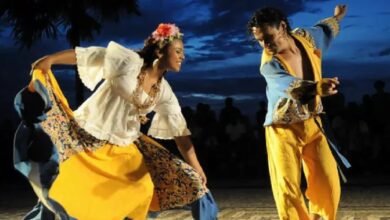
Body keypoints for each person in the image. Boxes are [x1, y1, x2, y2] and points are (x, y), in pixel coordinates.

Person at [14, 23, 218, 220]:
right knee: (66, 183)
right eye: (178, 51)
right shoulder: (129, 62)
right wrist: (51, 59)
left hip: (123, 145)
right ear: (159, 52)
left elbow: (180, 133)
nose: (183, 56)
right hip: (86, 135)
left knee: (146, 188)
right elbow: (90, 55)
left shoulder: (164, 91)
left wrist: (196, 168)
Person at [247, 5, 350, 220]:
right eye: (260, 40)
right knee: (287, 187)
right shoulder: (269, 64)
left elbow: (324, 29)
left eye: (269, 37)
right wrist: (315, 88)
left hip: (313, 123)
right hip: (282, 129)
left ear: (282, 27)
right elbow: (287, 84)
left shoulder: (305, 38)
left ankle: (319, 217)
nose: (265, 45)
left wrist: (337, 16)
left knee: (328, 182)